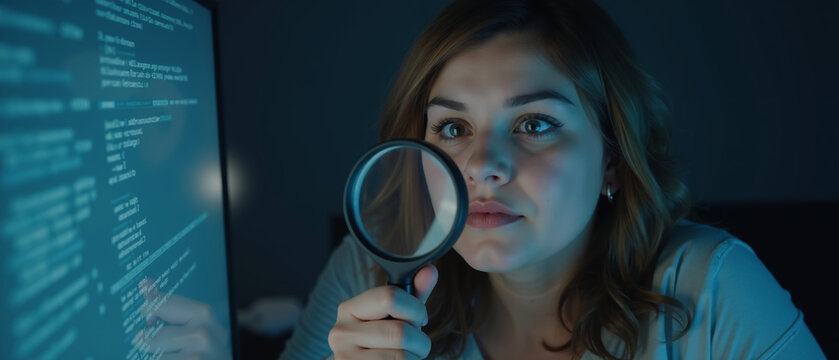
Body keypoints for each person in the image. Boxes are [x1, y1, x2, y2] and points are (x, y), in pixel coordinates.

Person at [280, 0, 826, 359]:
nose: (480, 165)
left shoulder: (714, 288)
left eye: (534, 124)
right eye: (452, 127)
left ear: (612, 158)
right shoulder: (367, 270)